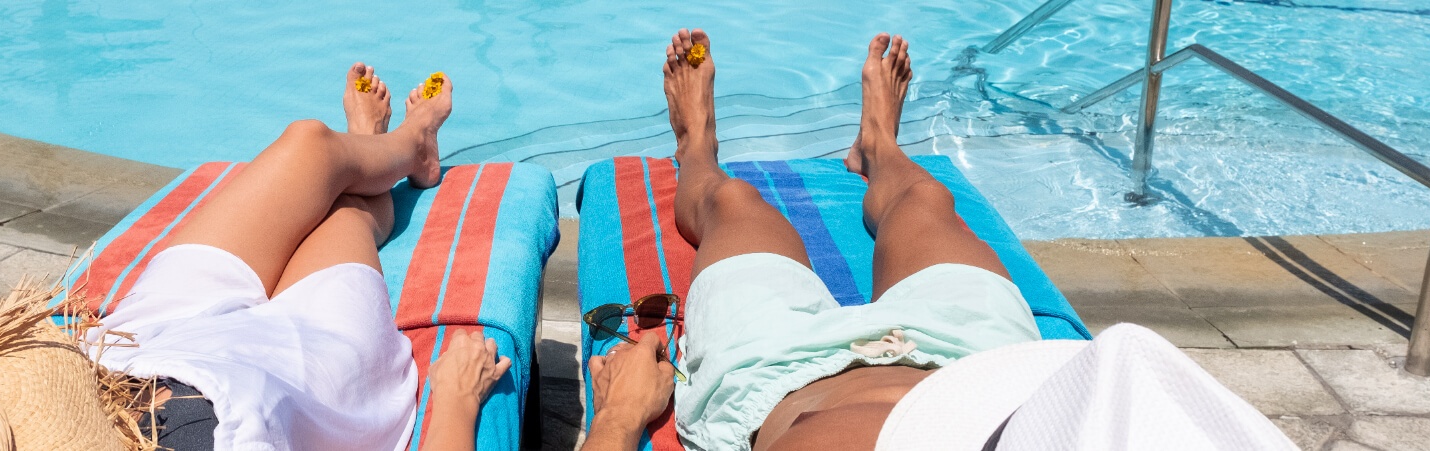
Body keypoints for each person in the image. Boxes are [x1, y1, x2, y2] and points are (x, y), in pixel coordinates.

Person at [582, 30, 1294, 451]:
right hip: (996, 370)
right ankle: (878, 147)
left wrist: (617, 416)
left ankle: (695, 149)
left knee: (732, 201)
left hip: (773, 375)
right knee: (924, 198)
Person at [85, 63, 514, 450]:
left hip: (140, 348)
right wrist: (457, 401)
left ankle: (383, 147)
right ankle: (399, 145)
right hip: (298, 383)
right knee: (347, 212)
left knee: (309, 142)